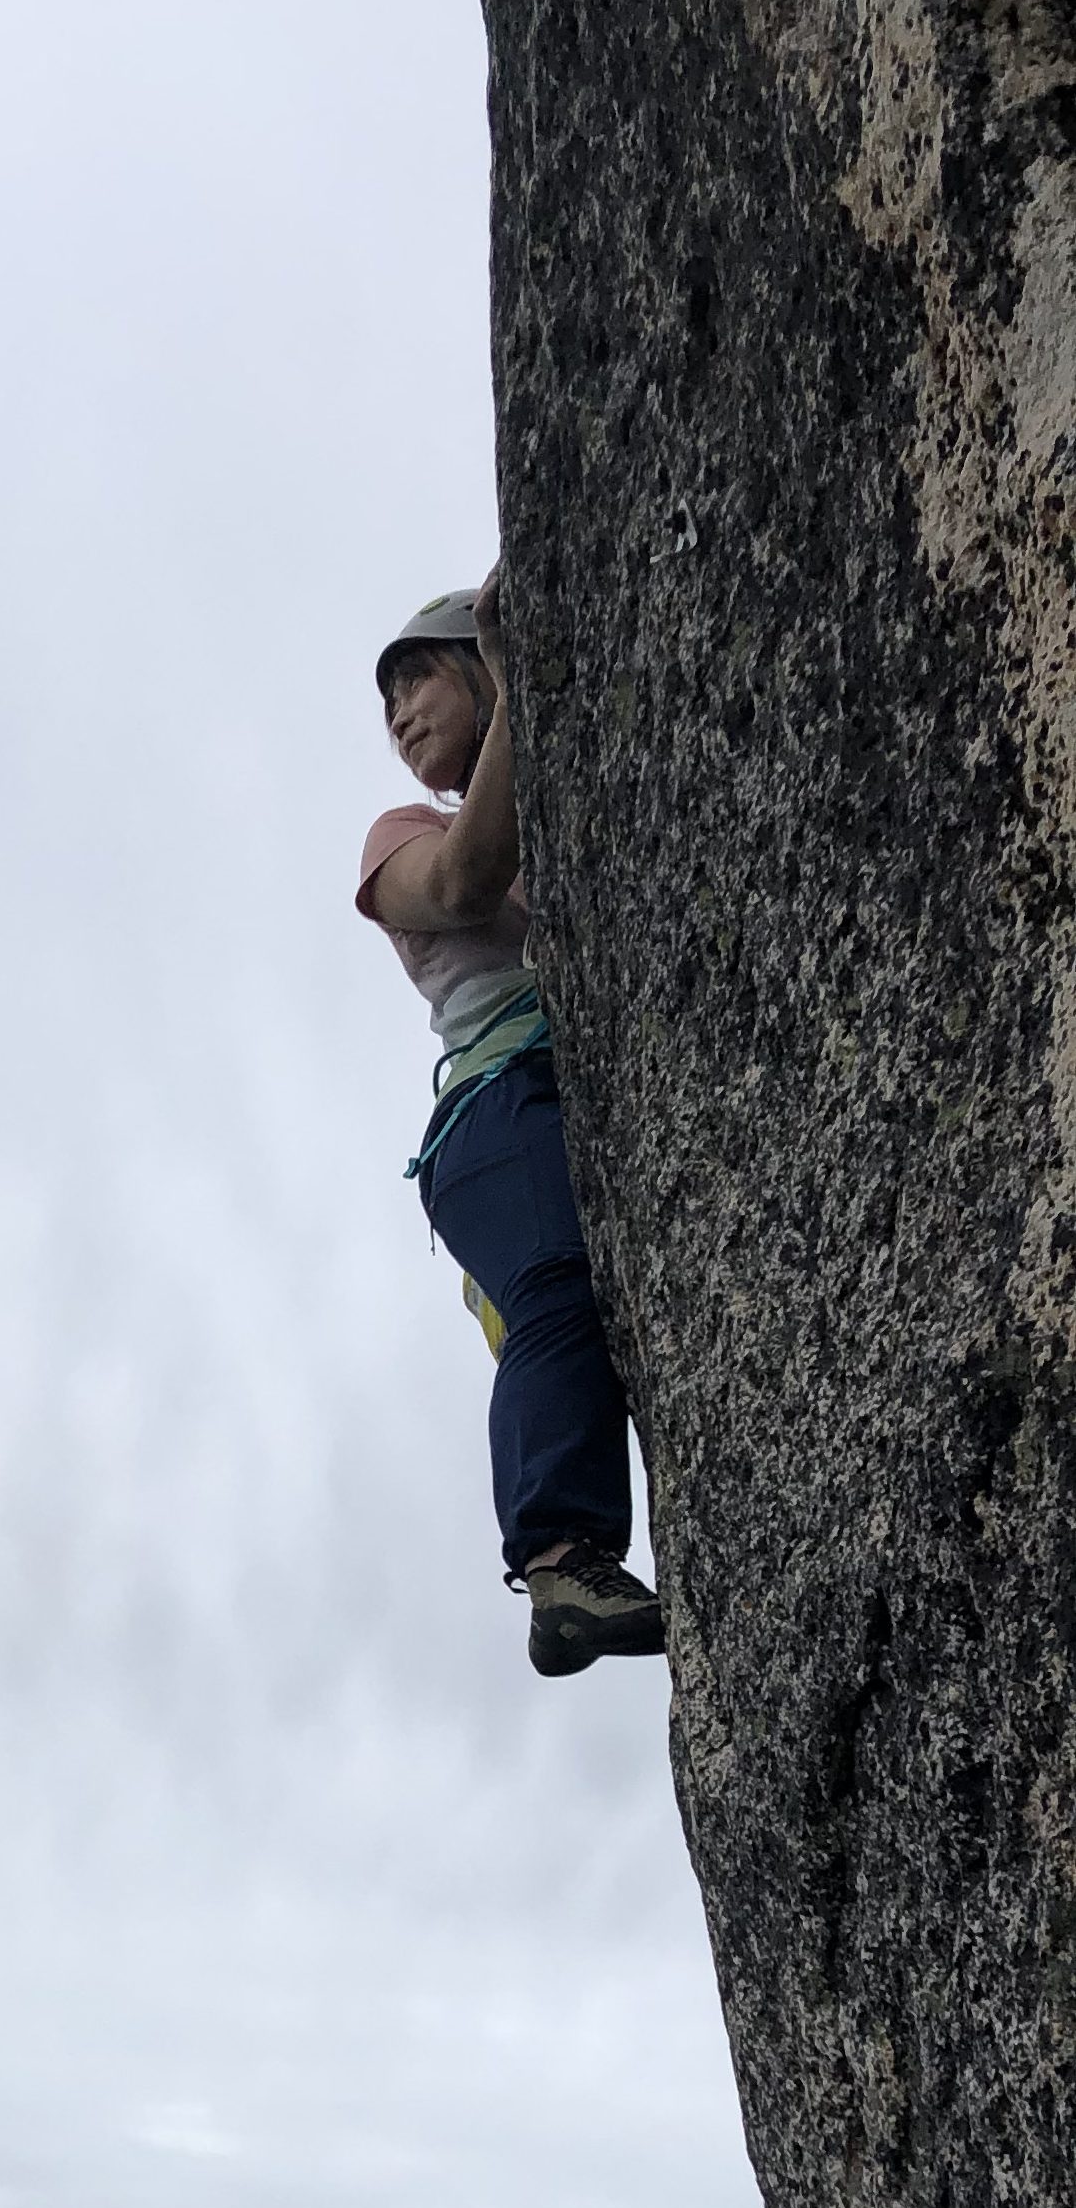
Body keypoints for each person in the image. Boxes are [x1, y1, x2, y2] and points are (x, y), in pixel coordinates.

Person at [362, 577, 663, 1676]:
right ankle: (558, 1553)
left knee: (589, 1300)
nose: (399, 719)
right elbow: (462, 877)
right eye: (388, 704)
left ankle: (569, 1555)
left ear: (474, 672)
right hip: (493, 1104)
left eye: (418, 679)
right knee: (554, 1281)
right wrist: (521, 684)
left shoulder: (561, 802)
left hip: (569, 1092)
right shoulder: (397, 834)